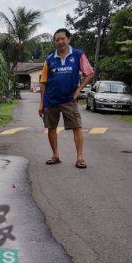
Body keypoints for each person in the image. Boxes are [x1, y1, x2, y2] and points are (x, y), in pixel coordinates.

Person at [39, 28, 93, 168]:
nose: (60, 42)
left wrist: (78, 90)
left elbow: (89, 73)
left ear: (69, 39)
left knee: (77, 127)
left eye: (62, 38)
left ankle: (80, 158)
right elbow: (43, 81)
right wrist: (41, 103)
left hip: (69, 99)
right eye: (57, 39)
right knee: (51, 128)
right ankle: (55, 155)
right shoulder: (49, 59)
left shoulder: (77, 55)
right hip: (51, 99)